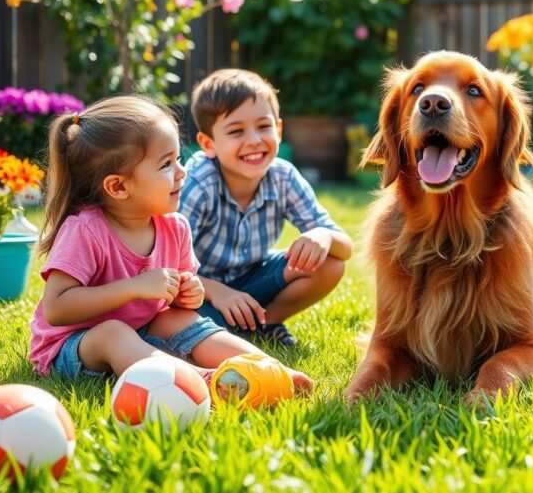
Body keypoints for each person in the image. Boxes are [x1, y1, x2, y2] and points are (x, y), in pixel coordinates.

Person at [28, 95, 312, 393]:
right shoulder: (85, 230)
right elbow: (57, 308)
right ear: (118, 186)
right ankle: (200, 382)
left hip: (143, 330)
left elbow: (179, 298)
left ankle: (268, 370)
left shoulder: (174, 227)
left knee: (182, 318)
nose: (181, 171)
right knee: (113, 332)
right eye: (166, 164)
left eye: (178, 158)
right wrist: (135, 287)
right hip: (75, 345)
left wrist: (189, 293)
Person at [180, 69, 353, 346]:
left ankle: (264, 322)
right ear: (208, 144)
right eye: (236, 131)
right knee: (177, 322)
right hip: (200, 290)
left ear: (279, 129)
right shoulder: (199, 183)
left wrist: (324, 236)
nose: (254, 140)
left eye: (263, 126)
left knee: (330, 263)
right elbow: (168, 267)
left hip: (254, 279)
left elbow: (345, 247)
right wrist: (218, 292)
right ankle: (222, 331)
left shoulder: (283, 176)